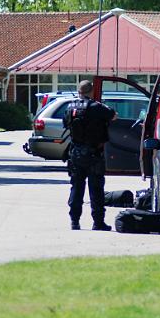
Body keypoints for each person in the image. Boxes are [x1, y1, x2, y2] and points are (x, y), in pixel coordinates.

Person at [63, 80, 117, 231]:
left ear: (79, 91)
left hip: (76, 153)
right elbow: (113, 116)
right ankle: (98, 222)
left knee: (76, 188)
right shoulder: (97, 107)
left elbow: (65, 123)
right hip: (94, 154)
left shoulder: (70, 107)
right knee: (96, 189)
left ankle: (74, 221)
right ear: (91, 91)